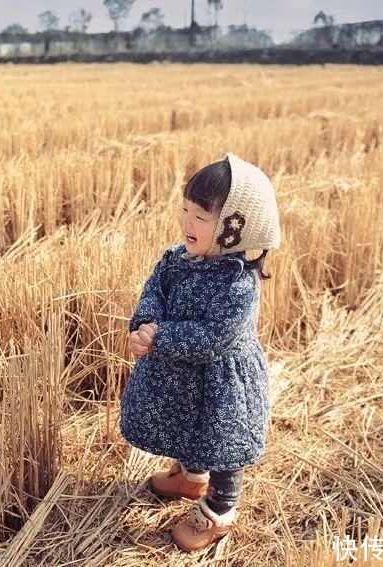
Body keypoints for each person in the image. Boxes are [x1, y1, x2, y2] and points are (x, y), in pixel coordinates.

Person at [120, 152, 281, 551]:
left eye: (201, 217)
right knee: (184, 427)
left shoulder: (238, 285)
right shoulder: (176, 260)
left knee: (221, 442)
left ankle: (220, 510)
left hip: (220, 382)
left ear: (234, 231)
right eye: (185, 210)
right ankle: (191, 479)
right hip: (178, 371)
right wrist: (144, 325)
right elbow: (154, 291)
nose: (186, 222)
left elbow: (213, 337)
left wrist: (160, 337)